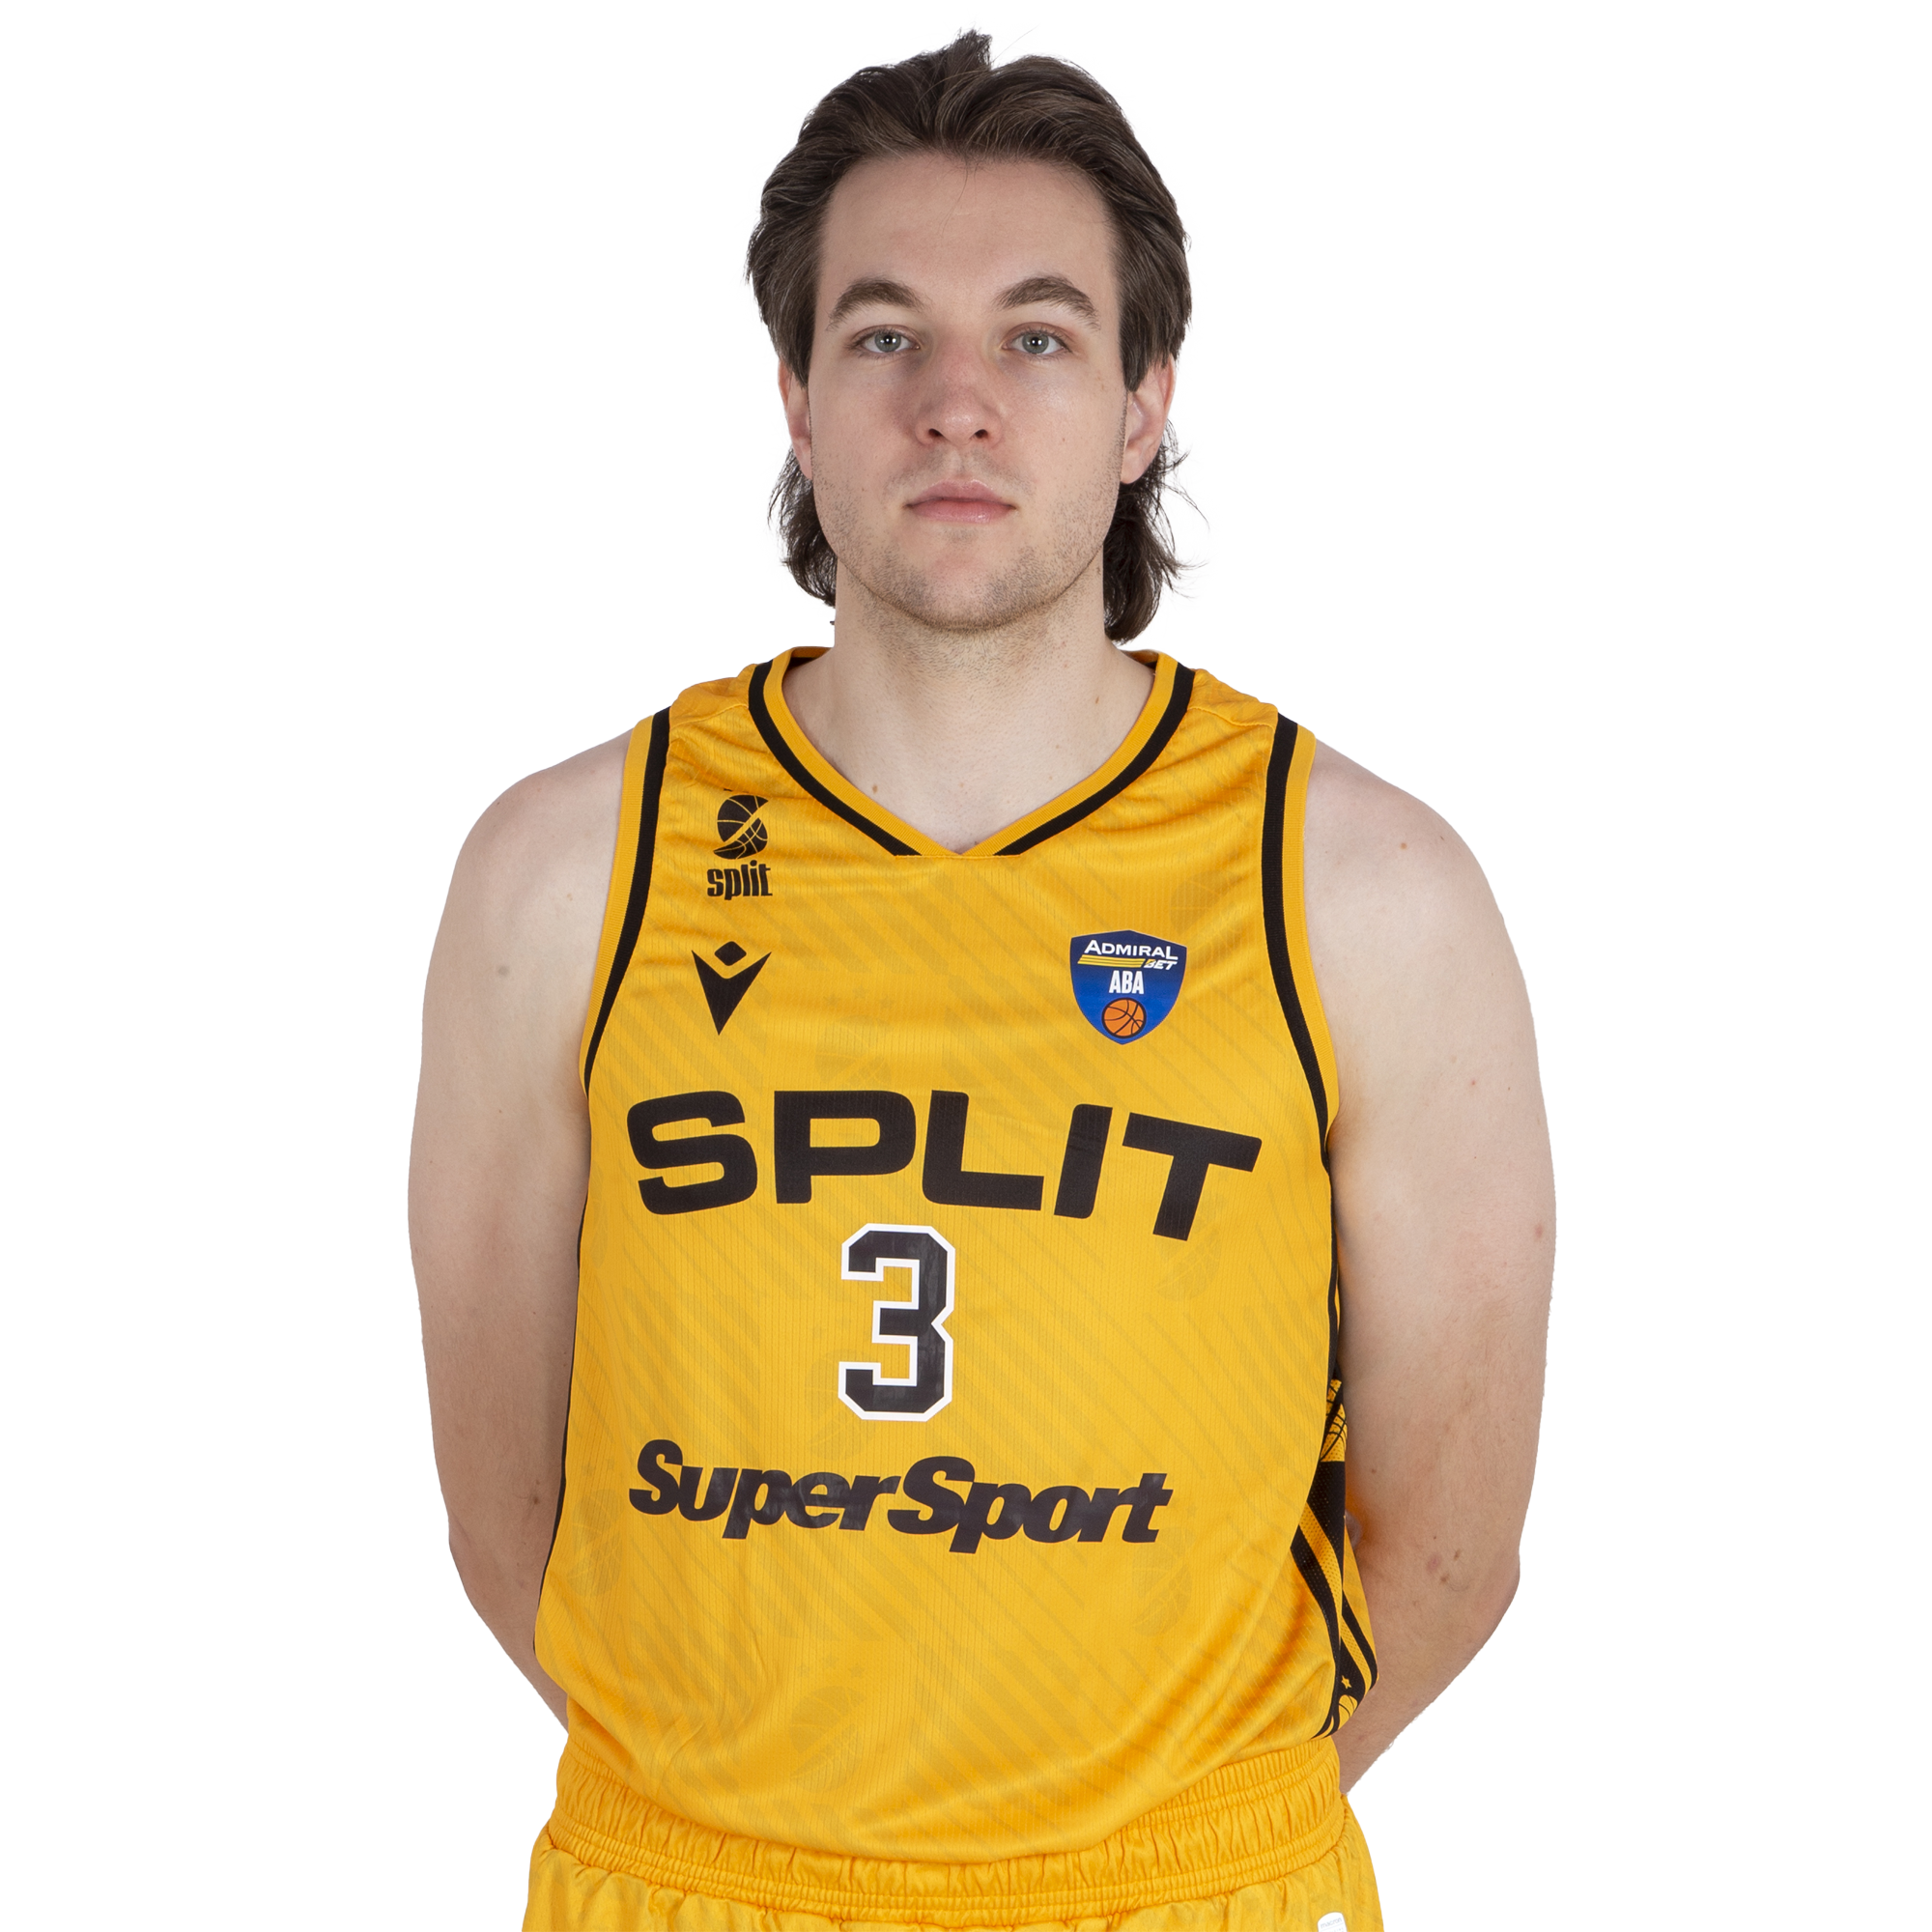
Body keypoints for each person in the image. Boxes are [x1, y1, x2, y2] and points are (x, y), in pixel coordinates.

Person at [411, 28, 1552, 1932]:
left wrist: (1137, 1837)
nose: (956, 403)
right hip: (688, 1881)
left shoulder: (1365, 894)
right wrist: (760, 1818)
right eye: (884, 336)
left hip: (1183, 1890)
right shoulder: (564, 873)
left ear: (1141, 403)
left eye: (1036, 336)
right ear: (795, 399)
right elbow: (504, 1517)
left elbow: (1449, 1553)